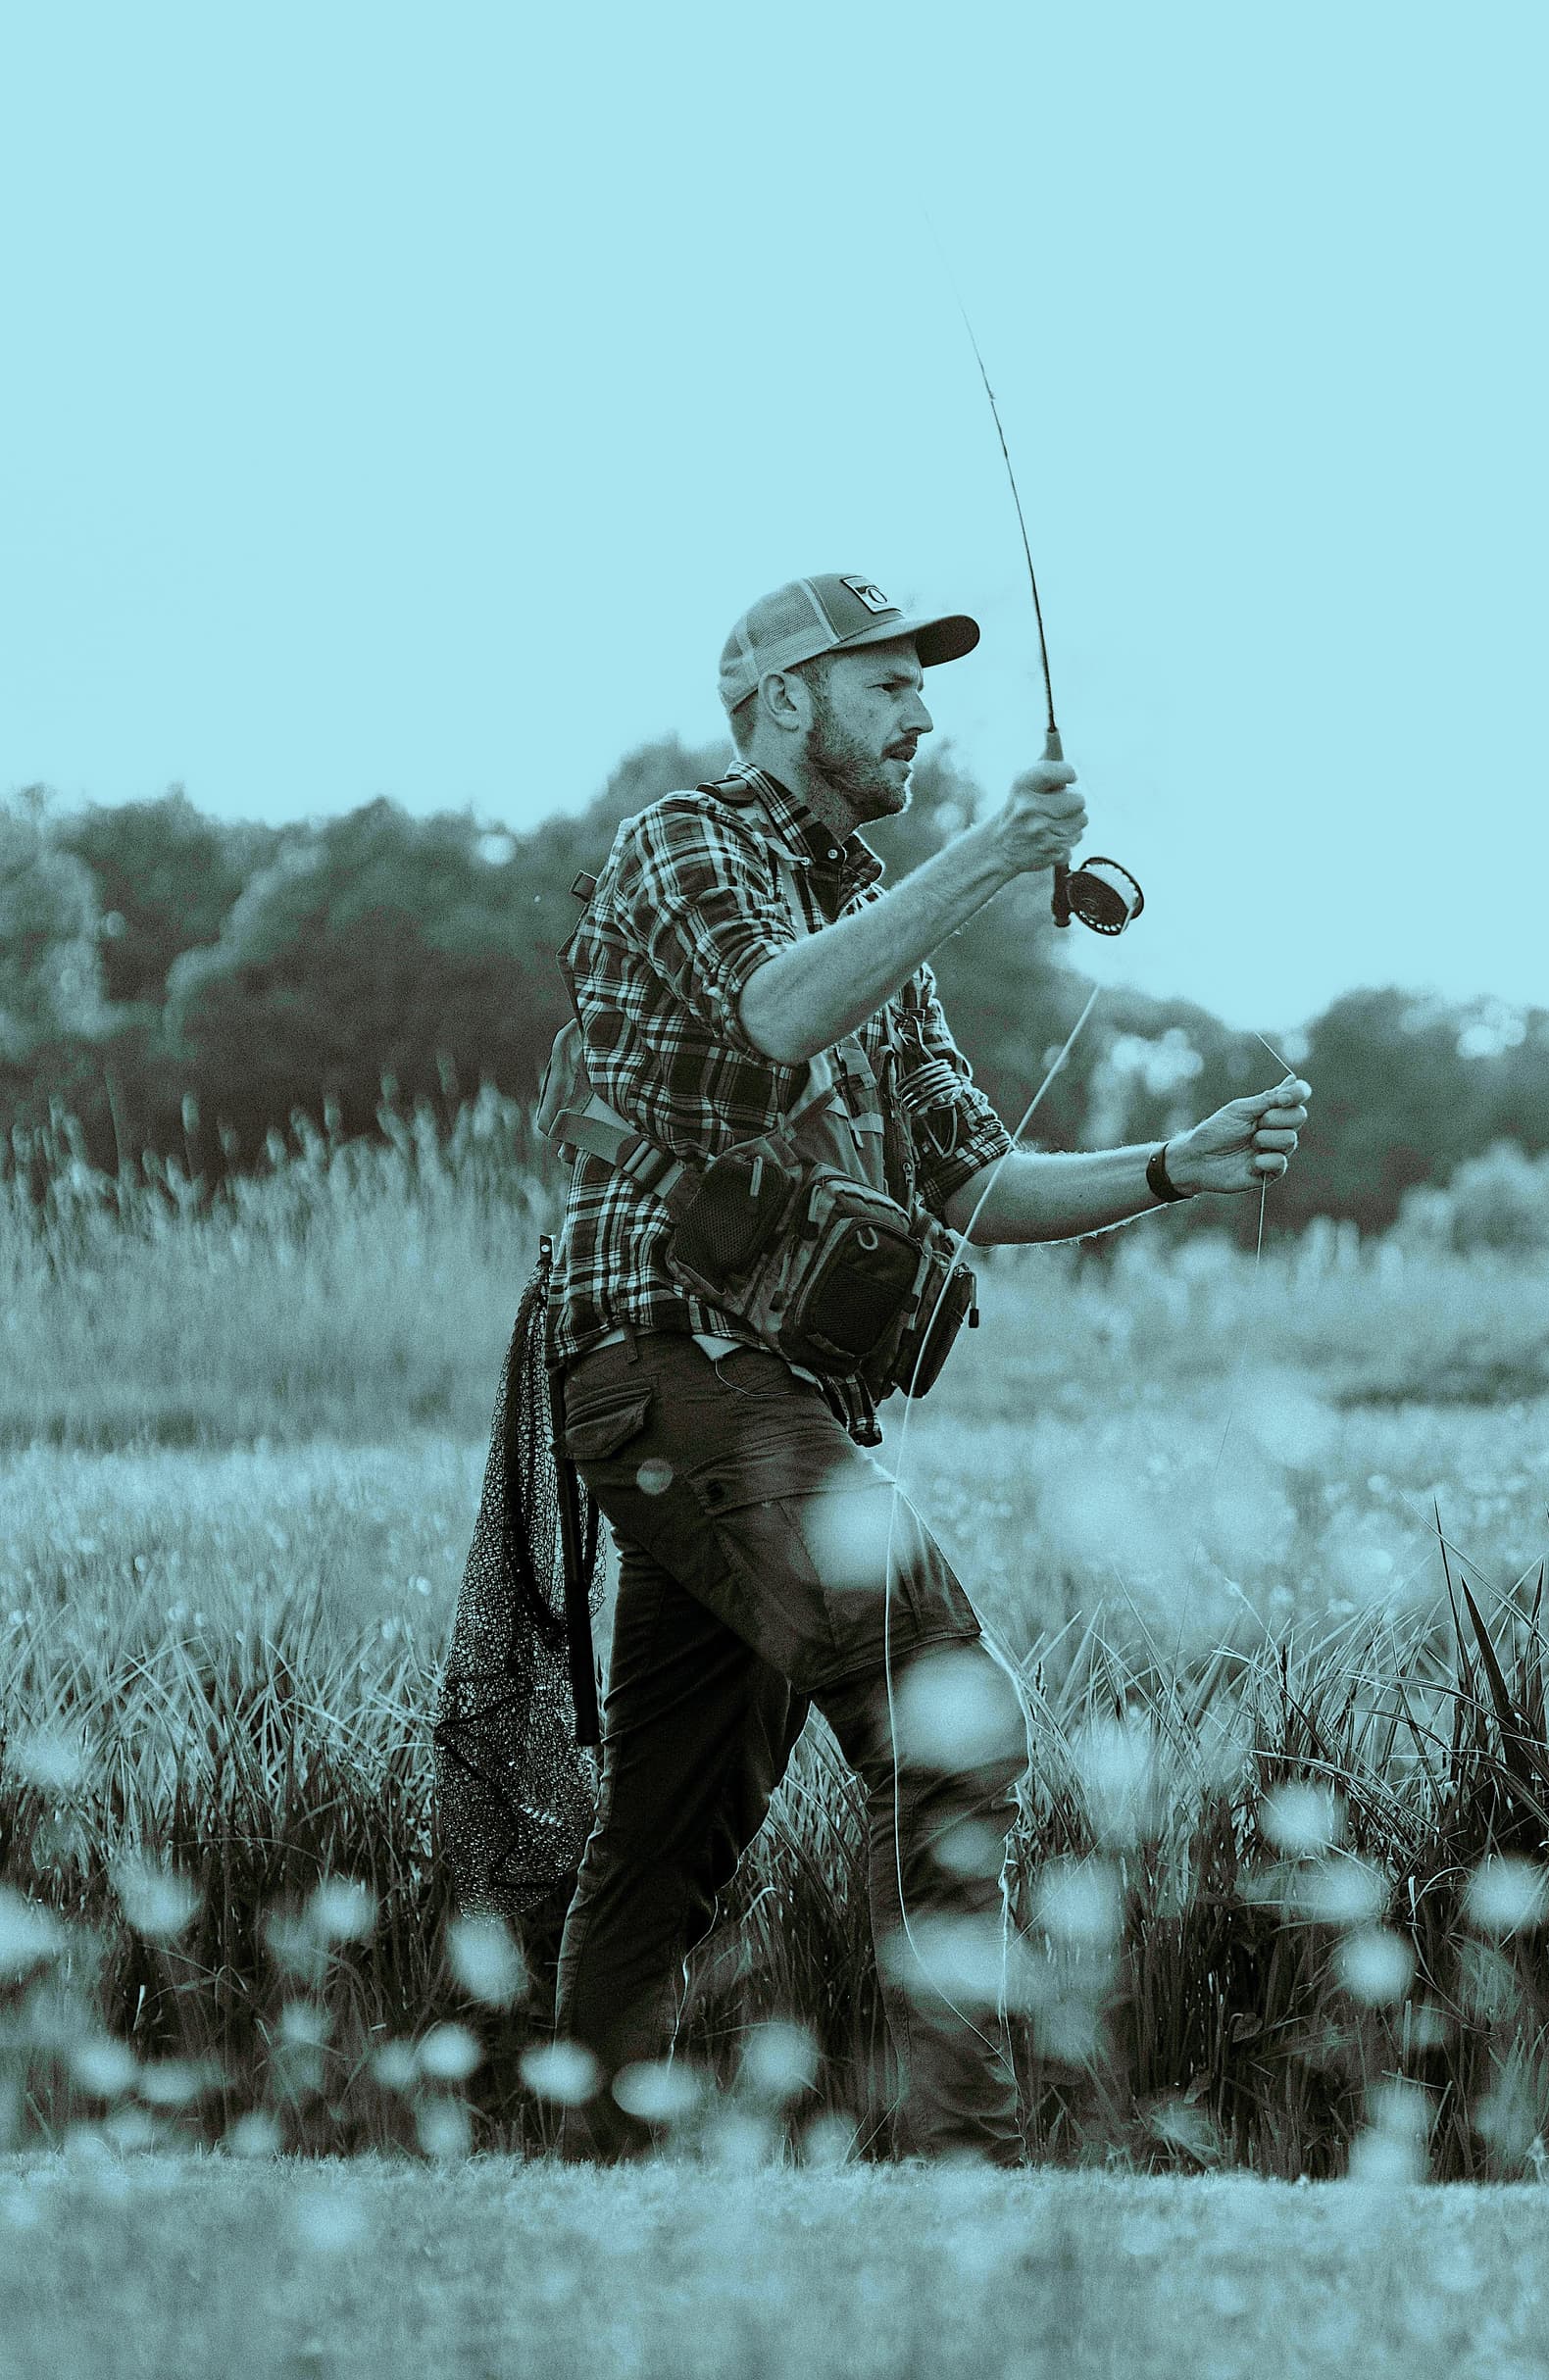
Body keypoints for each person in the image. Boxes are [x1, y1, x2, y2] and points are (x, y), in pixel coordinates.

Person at [542, 570, 1310, 2155]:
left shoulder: (872, 909)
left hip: (759, 1401)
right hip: (673, 1362)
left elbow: (972, 1181)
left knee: (671, 1831)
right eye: (886, 684)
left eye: (921, 686)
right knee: (950, 1705)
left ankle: (583, 2163)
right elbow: (772, 1017)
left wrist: (1176, 1163)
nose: (921, 713)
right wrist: (988, 858)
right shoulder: (690, 843)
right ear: (781, 698)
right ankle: (967, 2154)